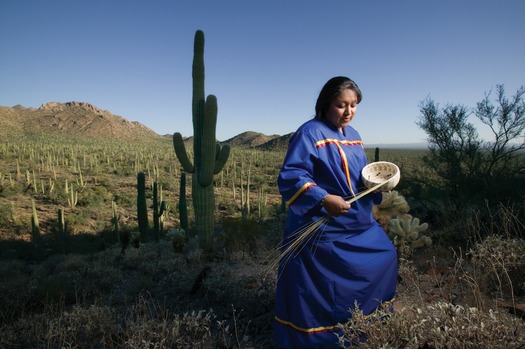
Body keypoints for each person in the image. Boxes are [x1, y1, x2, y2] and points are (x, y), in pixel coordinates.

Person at [273, 76, 398, 348]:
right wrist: (323, 197)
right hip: (323, 223)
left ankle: (362, 328)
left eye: (353, 105)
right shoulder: (309, 133)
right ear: (326, 104)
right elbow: (291, 176)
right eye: (341, 105)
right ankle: (321, 338)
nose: (349, 112)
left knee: (386, 255)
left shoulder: (353, 135)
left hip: (357, 219)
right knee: (324, 285)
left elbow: (359, 177)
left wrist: (377, 187)